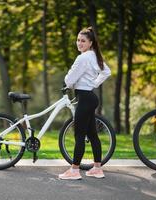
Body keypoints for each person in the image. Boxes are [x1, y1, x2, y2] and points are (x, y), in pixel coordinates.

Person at [58, 27, 111, 180]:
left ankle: (74, 171)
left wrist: (70, 82)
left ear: (90, 43)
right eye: (78, 40)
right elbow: (106, 72)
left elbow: (69, 80)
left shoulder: (83, 58)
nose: (79, 43)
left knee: (79, 135)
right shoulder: (94, 56)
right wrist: (94, 84)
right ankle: (97, 169)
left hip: (85, 98)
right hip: (90, 97)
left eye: (83, 41)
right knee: (92, 135)